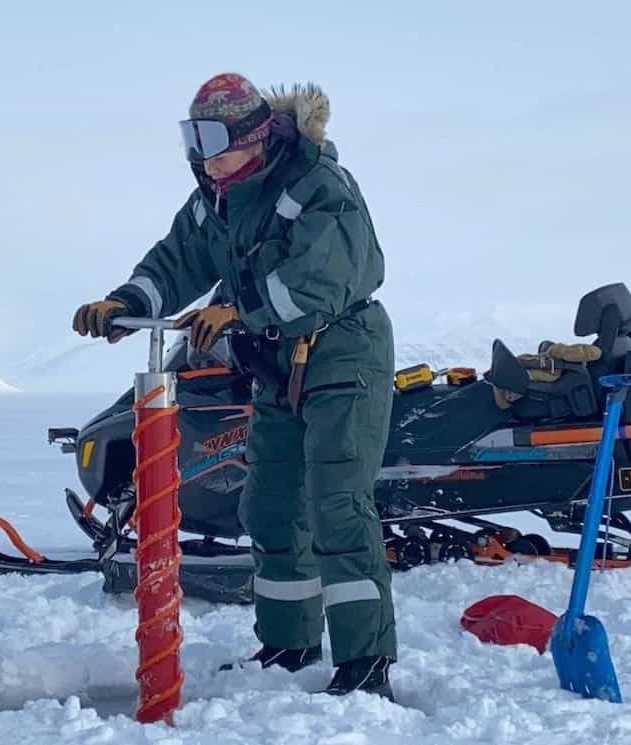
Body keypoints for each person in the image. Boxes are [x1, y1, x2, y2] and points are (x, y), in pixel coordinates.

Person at [72, 73, 397, 699]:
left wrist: (244, 311)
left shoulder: (316, 186)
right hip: (276, 367)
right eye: (193, 138)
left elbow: (326, 274)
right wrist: (124, 303)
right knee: (271, 507)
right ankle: (290, 642)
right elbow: (177, 261)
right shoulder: (215, 199)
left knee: (337, 505)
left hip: (341, 354)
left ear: (254, 135)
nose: (204, 152)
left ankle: (366, 660)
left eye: (214, 137)